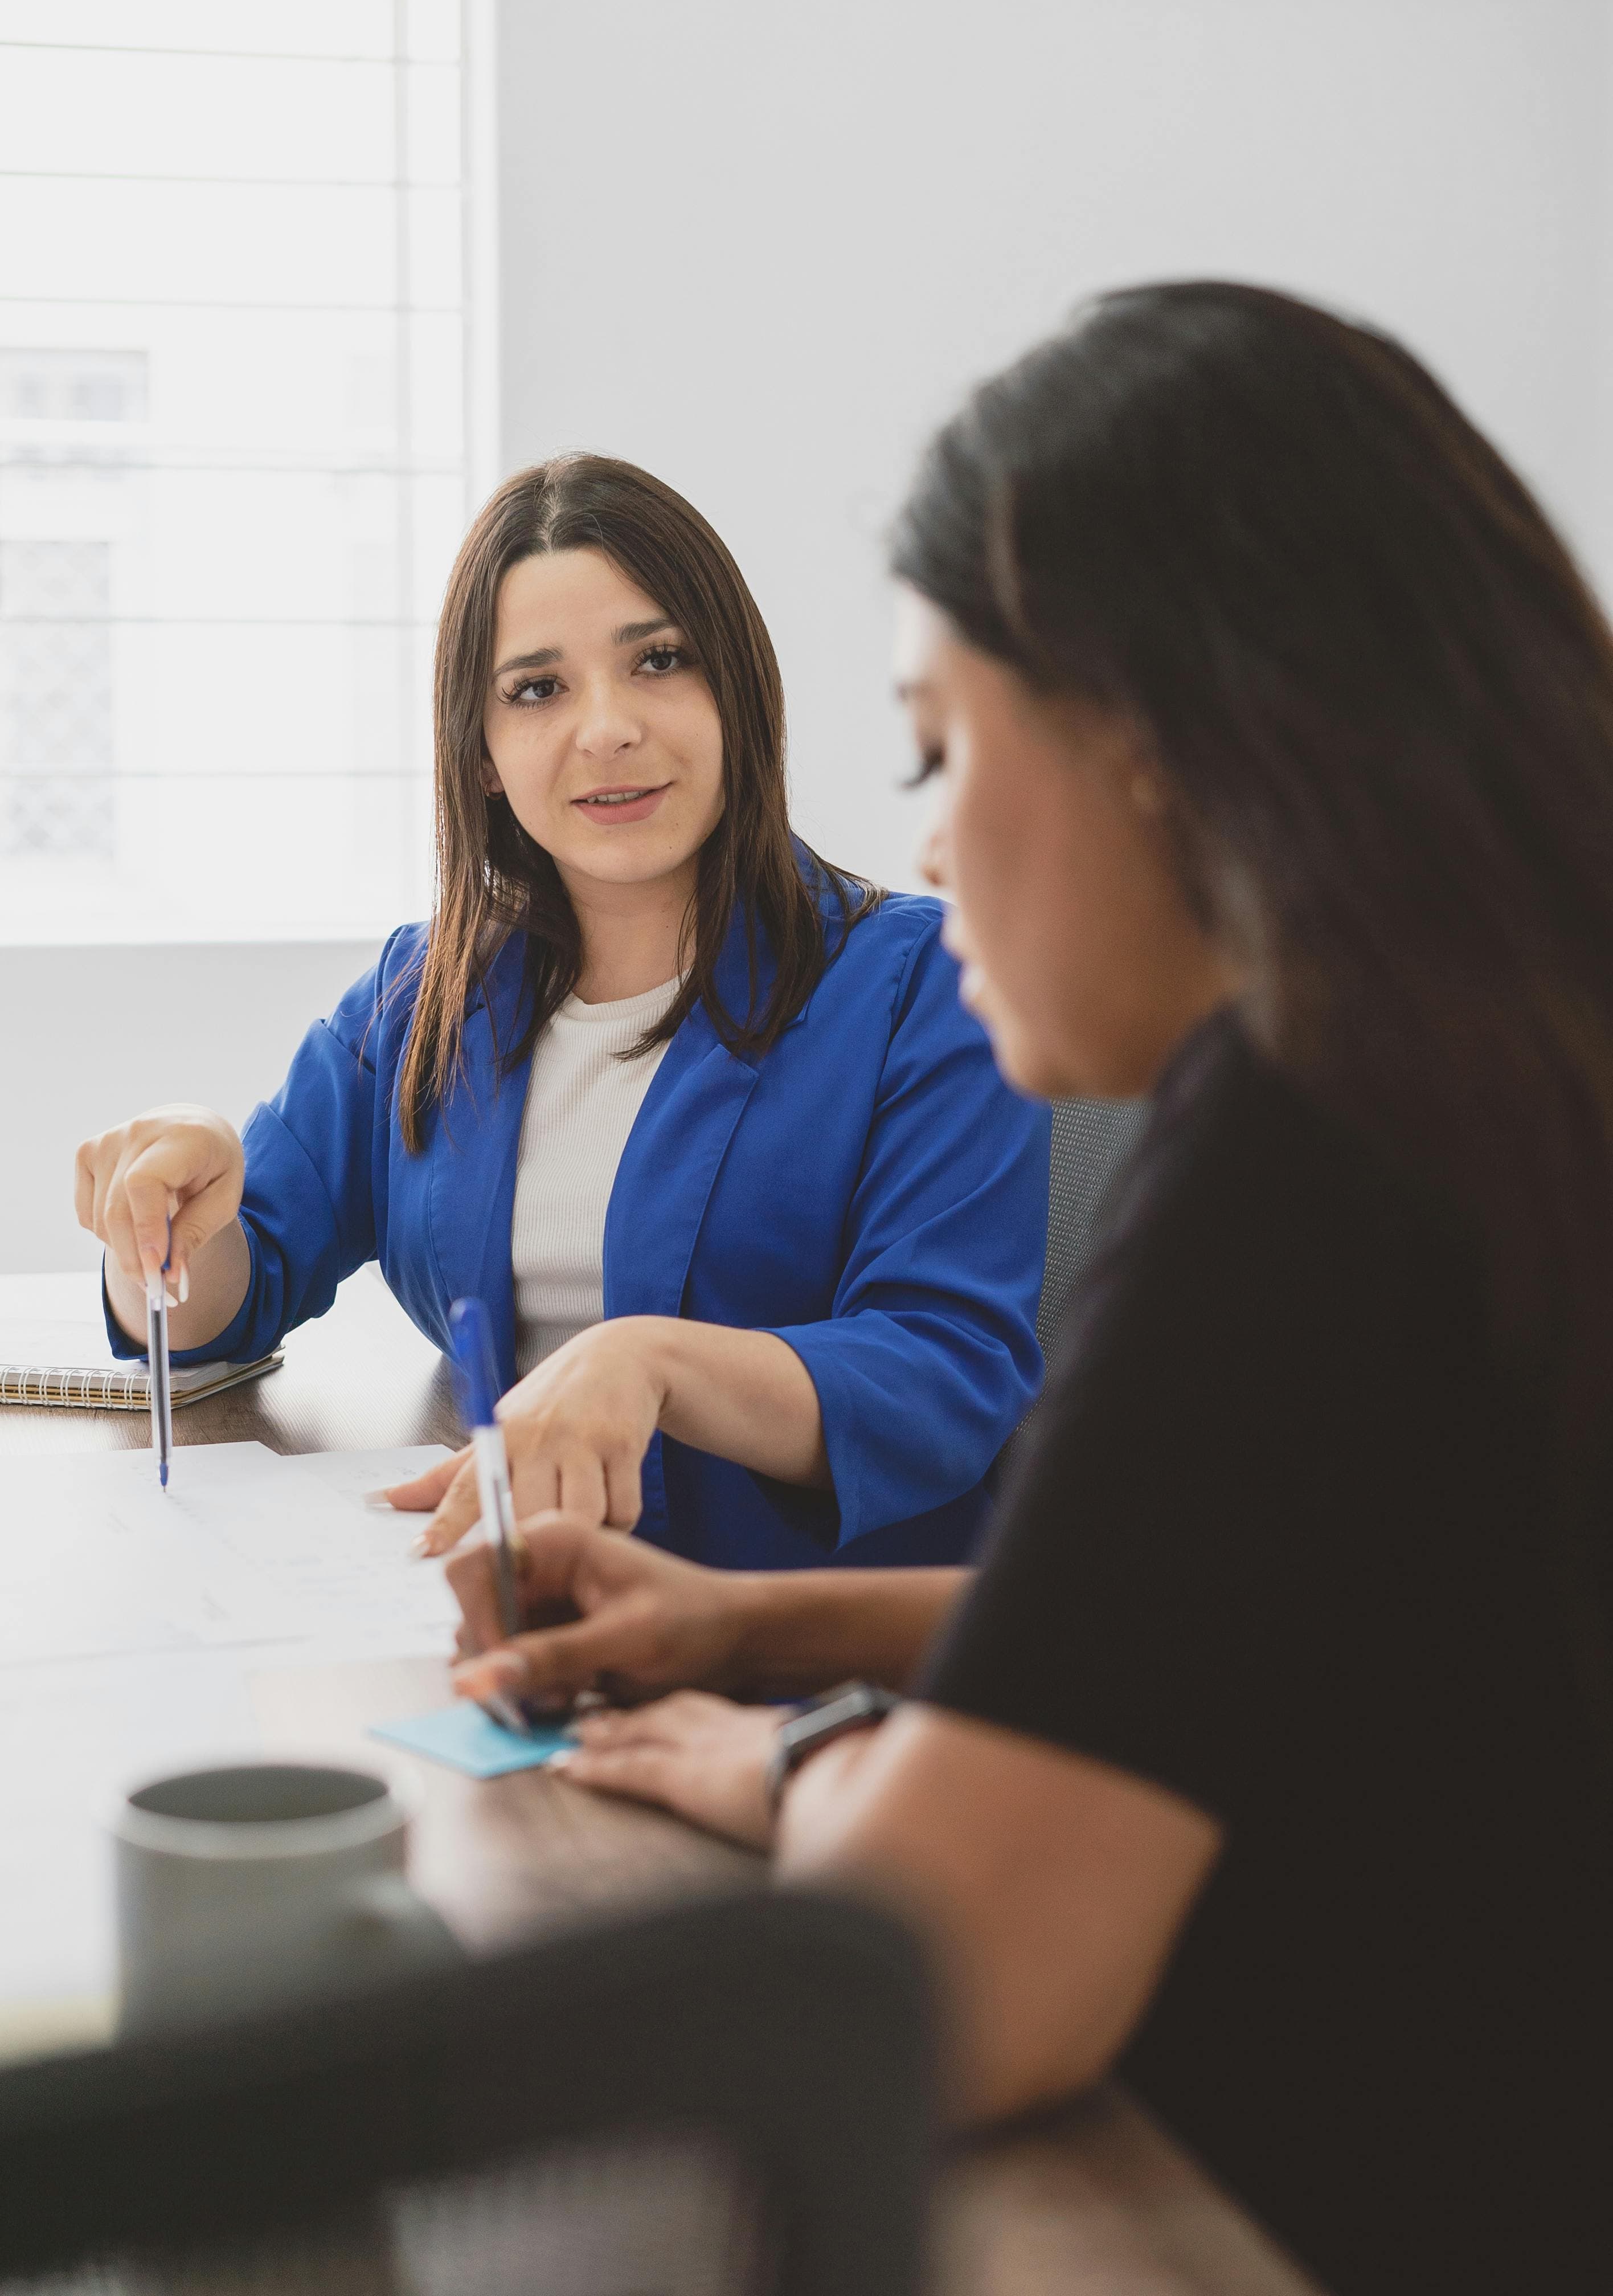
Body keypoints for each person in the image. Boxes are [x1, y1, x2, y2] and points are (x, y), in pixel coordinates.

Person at [446, 289, 1613, 2295]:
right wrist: (762, 1617)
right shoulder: (1497, 1072)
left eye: (938, 747)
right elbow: (1279, 1620)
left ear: (1152, 746)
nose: (925, 839)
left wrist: (788, 1755)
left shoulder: (1304, 1138)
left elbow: (951, 1974)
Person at [75, 456, 1047, 1570]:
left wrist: (653, 1365)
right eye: (537, 688)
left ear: (736, 689)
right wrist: (162, 1214)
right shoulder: (421, 996)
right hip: (506, 1616)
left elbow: (945, 1371)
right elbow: (221, 1310)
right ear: (481, 756)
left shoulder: (924, 987)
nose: (608, 727)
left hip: (797, 1663)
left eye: (661, 661)